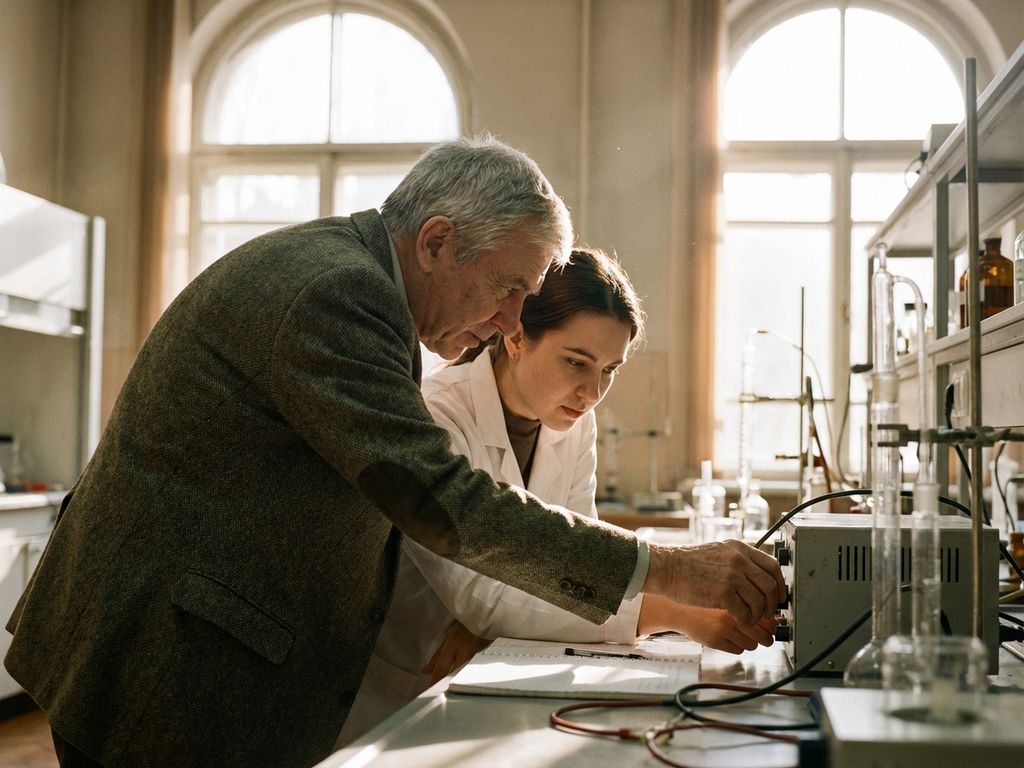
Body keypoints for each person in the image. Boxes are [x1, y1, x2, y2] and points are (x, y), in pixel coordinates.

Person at [4, 135, 784, 768]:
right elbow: (439, 498)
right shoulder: (339, 294)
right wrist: (672, 569)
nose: (514, 316)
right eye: (511, 286)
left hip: (199, 651)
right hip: (168, 662)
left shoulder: (354, 281)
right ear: (437, 242)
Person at [338, 248, 776, 744]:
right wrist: (675, 613)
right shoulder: (437, 414)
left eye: (610, 369)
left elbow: (573, 568)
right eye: (576, 362)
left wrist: (496, 628)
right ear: (518, 334)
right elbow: (483, 594)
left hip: (497, 670)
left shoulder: (573, 424)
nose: (591, 391)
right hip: (408, 687)